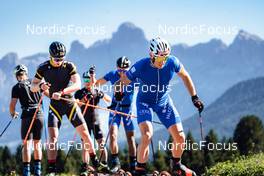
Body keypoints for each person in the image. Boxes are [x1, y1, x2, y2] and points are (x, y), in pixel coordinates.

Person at [117, 37, 204, 176]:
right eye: (160, 58)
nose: (163, 61)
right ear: (152, 55)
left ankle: (176, 165)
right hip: (144, 102)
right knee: (147, 134)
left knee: (180, 138)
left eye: (165, 57)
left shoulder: (172, 62)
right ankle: (139, 170)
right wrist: (119, 92)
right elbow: (123, 81)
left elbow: (185, 76)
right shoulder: (141, 66)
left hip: (163, 102)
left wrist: (194, 97)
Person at [30, 41, 96, 176]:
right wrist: (41, 87)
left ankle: (95, 162)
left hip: (69, 103)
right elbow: (33, 87)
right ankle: (52, 169)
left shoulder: (69, 65)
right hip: (55, 107)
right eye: (56, 59)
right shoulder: (43, 67)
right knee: (53, 138)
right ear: (50, 56)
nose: (59, 61)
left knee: (85, 134)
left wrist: (62, 92)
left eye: (62, 58)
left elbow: (77, 84)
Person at [95, 56, 137, 174]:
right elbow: (98, 83)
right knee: (113, 135)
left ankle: (133, 165)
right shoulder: (113, 74)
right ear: (116, 68)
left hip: (127, 110)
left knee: (131, 138)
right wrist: (96, 90)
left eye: (125, 71)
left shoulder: (134, 76)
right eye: (120, 70)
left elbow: (146, 85)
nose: (122, 73)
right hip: (115, 108)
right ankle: (115, 162)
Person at [9, 64, 45, 176]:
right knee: (37, 143)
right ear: (26, 73)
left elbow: (12, 105)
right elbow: (47, 93)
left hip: (27, 115)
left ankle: (27, 171)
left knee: (26, 144)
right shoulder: (36, 82)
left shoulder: (16, 87)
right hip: (39, 114)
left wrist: (13, 113)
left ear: (16, 75)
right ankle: (38, 171)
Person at [74, 67, 111, 173]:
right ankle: (85, 167)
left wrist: (102, 95)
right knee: (86, 145)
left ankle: (104, 164)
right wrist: (85, 98)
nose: (86, 82)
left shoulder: (96, 90)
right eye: (84, 80)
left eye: (88, 80)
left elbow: (109, 100)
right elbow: (76, 103)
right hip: (84, 121)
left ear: (91, 80)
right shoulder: (80, 92)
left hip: (96, 121)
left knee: (101, 143)